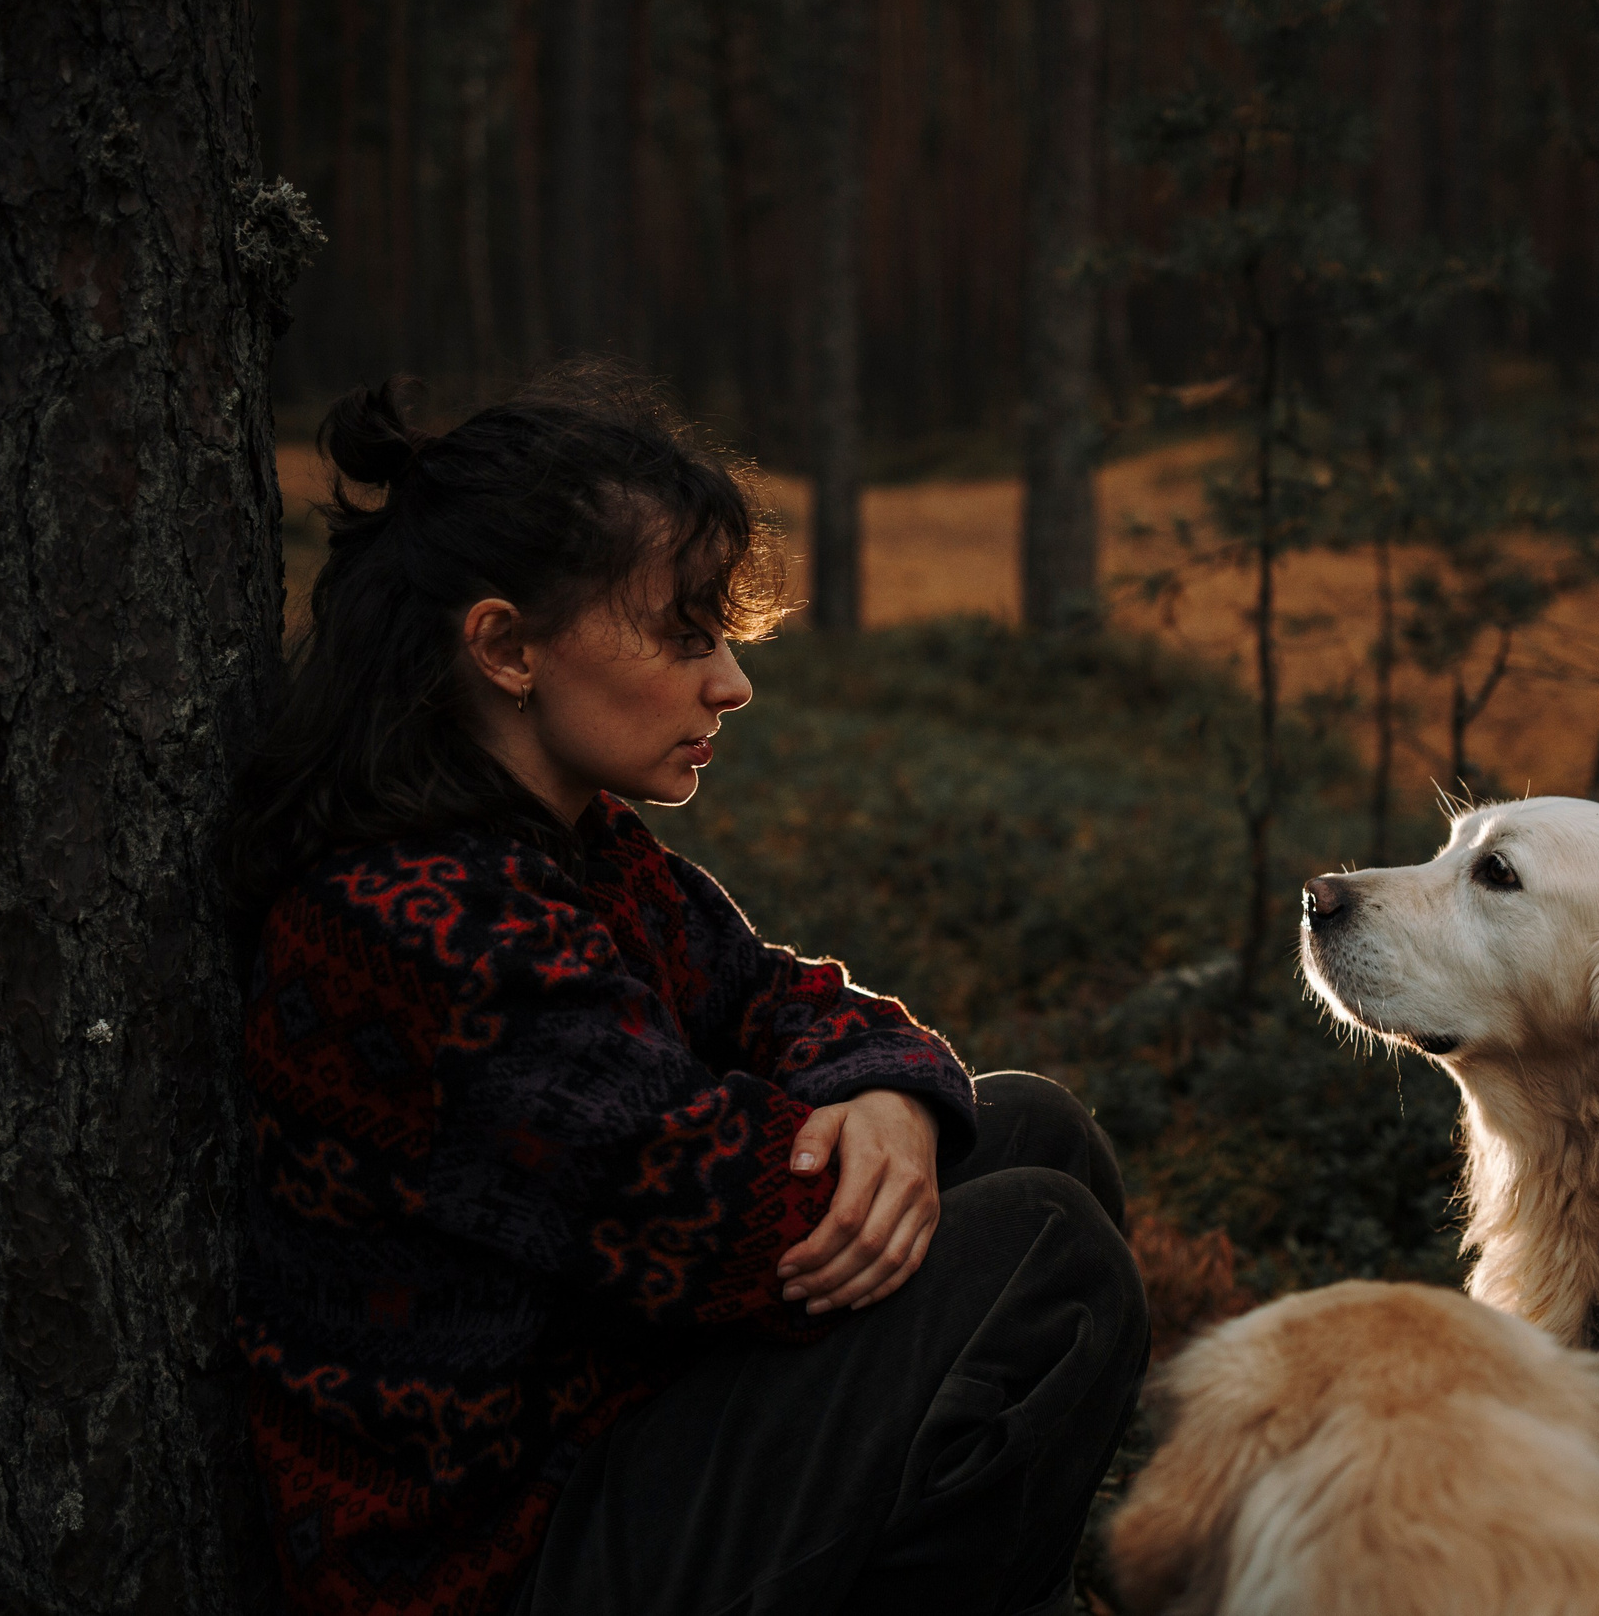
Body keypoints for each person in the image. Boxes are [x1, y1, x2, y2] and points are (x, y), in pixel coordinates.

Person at [221, 367, 1147, 1616]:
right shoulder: (410, 924)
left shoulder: (576, 846)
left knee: (1034, 1127)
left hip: (606, 1431)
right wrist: (873, 1107)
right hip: (496, 1564)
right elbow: (738, 1217)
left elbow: (775, 995)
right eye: (683, 634)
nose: (731, 683)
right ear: (504, 646)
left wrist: (887, 1091)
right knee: (1042, 1242)